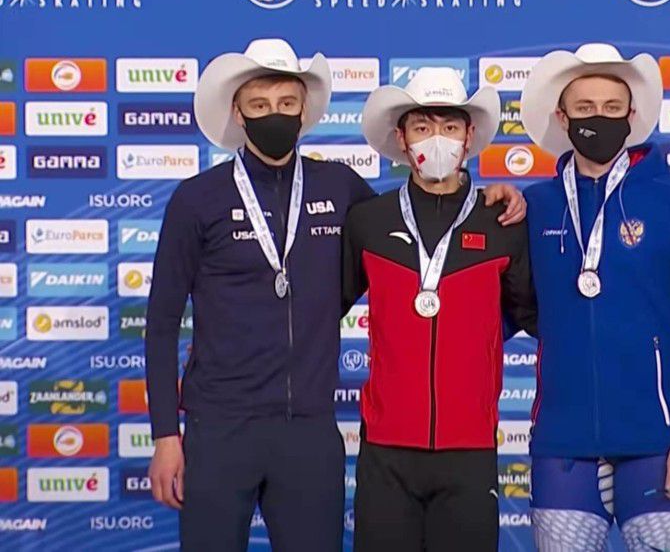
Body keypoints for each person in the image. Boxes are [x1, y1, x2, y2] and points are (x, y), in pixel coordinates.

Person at [145, 40, 525, 552]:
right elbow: (162, 324)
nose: (274, 115)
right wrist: (167, 437)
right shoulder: (196, 199)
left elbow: (423, 229)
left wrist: (484, 199)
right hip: (218, 430)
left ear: (305, 108)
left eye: (286, 102)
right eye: (259, 105)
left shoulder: (342, 189)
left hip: (310, 431)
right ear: (238, 111)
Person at [520, 43, 670, 551]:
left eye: (612, 108)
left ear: (632, 116)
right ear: (562, 116)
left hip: (657, 445)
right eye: (586, 108)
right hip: (563, 445)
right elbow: (510, 308)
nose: (599, 118)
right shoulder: (534, 207)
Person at [343, 67, 537, 551]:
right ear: (402, 138)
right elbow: (322, 309)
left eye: (450, 127)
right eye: (423, 127)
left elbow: (530, 314)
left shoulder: (501, 220)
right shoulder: (369, 220)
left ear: (470, 137)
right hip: (386, 449)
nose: (438, 140)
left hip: (469, 449)